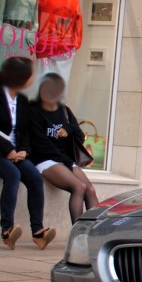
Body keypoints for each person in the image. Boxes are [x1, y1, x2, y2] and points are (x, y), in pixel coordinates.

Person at [0, 57, 56, 250]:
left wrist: (24, 151)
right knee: (13, 174)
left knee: (35, 178)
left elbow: (24, 132)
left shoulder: (22, 100)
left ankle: (38, 232)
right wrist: (8, 150)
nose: (33, 78)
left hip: (15, 153)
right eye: (31, 75)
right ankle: (7, 230)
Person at [27, 73, 99, 222]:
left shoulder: (64, 111)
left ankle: (95, 233)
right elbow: (40, 146)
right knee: (78, 187)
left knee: (90, 190)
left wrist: (68, 128)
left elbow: (79, 136)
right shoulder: (33, 111)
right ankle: (77, 236)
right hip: (45, 159)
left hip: (64, 159)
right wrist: (66, 162)